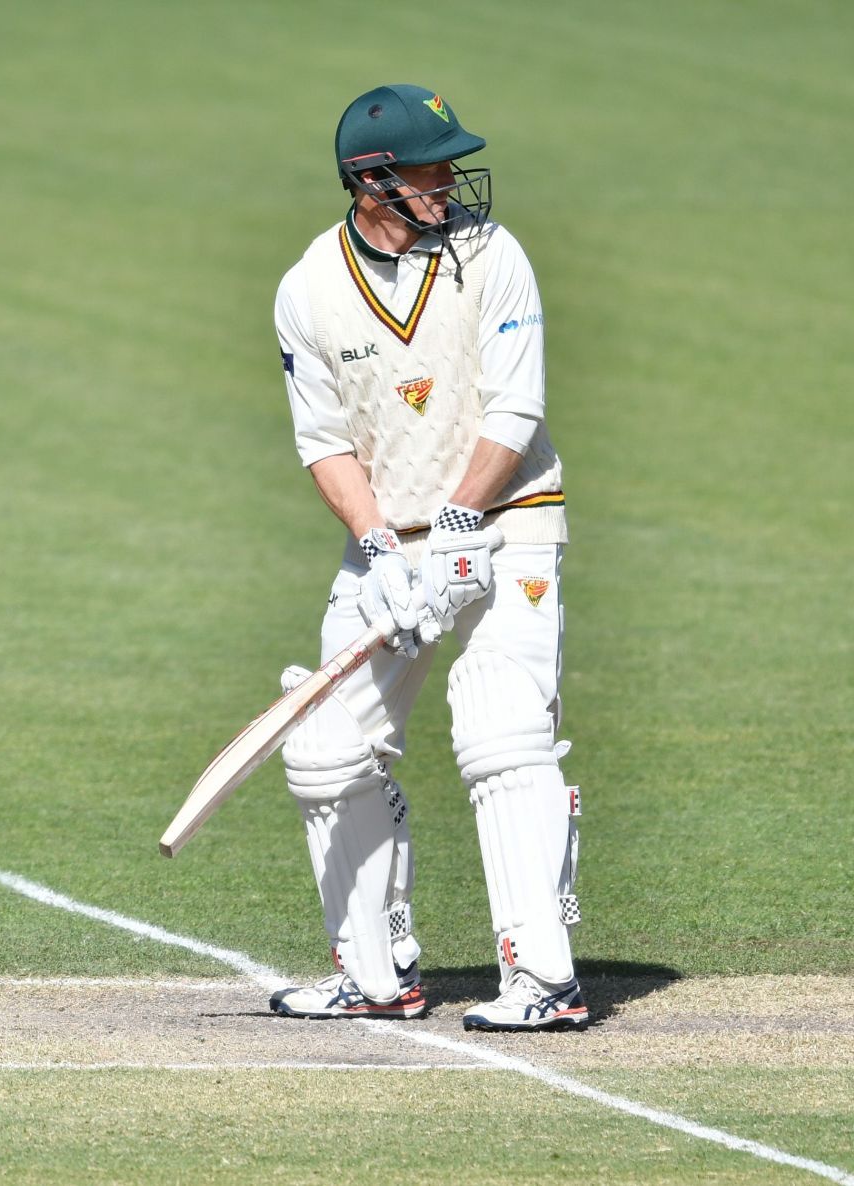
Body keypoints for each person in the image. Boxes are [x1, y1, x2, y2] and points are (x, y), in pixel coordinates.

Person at [265, 85, 587, 1031]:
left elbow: (514, 410)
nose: (450, 181)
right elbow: (323, 441)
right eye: (430, 168)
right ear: (373, 181)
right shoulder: (308, 287)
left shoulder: (494, 256)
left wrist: (456, 531)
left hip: (508, 521)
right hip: (389, 546)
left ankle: (543, 980)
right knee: (325, 752)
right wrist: (382, 551)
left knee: (502, 738)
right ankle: (374, 974)